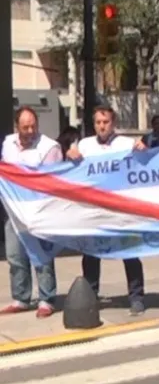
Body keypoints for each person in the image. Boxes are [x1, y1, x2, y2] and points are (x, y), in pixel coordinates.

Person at [65, 106, 147, 315]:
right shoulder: (84, 145)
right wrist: (70, 155)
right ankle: (91, 295)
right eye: (98, 122)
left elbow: (143, 167)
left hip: (122, 209)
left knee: (130, 253)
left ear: (113, 123)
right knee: (91, 254)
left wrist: (143, 151)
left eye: (106, 122)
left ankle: (136, 297)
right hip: (94, 210)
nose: (102, 126)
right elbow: (72, 170)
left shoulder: (126, 144)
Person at [1, 107, 61, 318]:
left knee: (41, 256)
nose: (30, 131)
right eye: (25, 127)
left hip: (39, 212)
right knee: (15, 256)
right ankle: (21, 298)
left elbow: (53, 181)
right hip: (14, 211)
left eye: (33, 126)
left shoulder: (49, 148)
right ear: (16, 127)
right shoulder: (7, 144)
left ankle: (46, 299)